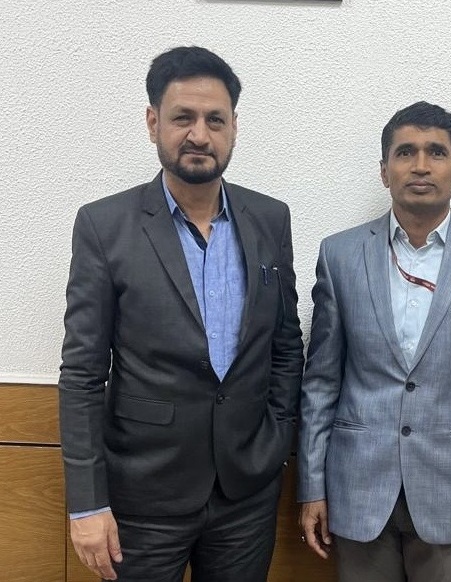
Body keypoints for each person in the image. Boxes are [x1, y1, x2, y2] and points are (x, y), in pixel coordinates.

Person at [58, 46, 304, 582]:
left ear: (234, 127)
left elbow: (285, 346)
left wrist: (276, 438)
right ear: (153, 123)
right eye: (182, 118)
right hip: (143, 496)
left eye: (215, 119)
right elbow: (81, 374)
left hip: (246, 495)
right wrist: (87, 503)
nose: (199, 134)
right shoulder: (105, 226)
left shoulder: (270, 219)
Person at [297, 101, 451, 582]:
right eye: (405, 152)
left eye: (436, 152)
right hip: (358, 491)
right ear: (384, 170)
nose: (421, 165)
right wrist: (311, 486)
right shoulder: (340, 255)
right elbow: (321, 382)